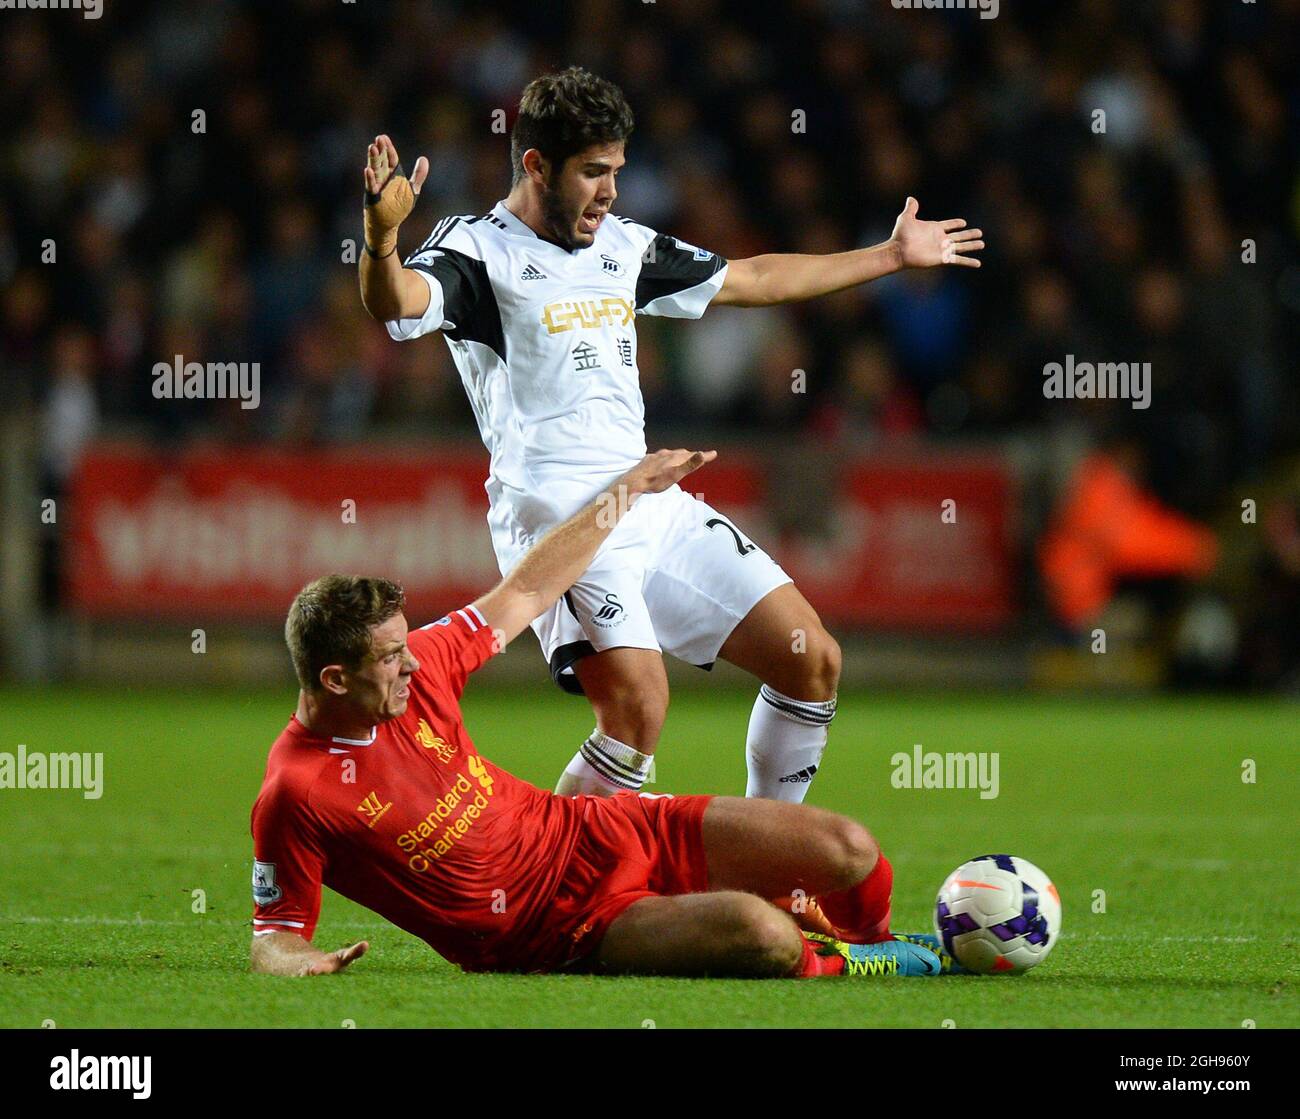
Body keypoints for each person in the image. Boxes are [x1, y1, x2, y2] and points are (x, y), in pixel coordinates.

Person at [357, 66, 984, 804]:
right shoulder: (476, 253)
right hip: (560, 520)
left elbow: (752, 278)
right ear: (535, 164)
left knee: (811, 658)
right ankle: (559, 900)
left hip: (647, 496)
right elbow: (395, 300)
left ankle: (768, 869)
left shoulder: (623, 246)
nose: (611, 190)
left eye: (617, 170)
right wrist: (381, 235)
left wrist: (887, 256)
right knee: (636, 709)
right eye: (593, 172)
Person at [249, 449, 948, 978]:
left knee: (849, 848)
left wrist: (627, 491)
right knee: (759, 931)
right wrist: (300, 961)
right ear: (335, 677)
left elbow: (527, 586)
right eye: (391, 658)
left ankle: (872, 939)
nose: (411, 664)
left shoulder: (422, 664)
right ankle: (851, 967)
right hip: (552, 929)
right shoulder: (297, 791)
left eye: (406, 647)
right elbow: (272, 932)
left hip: (596, 825)